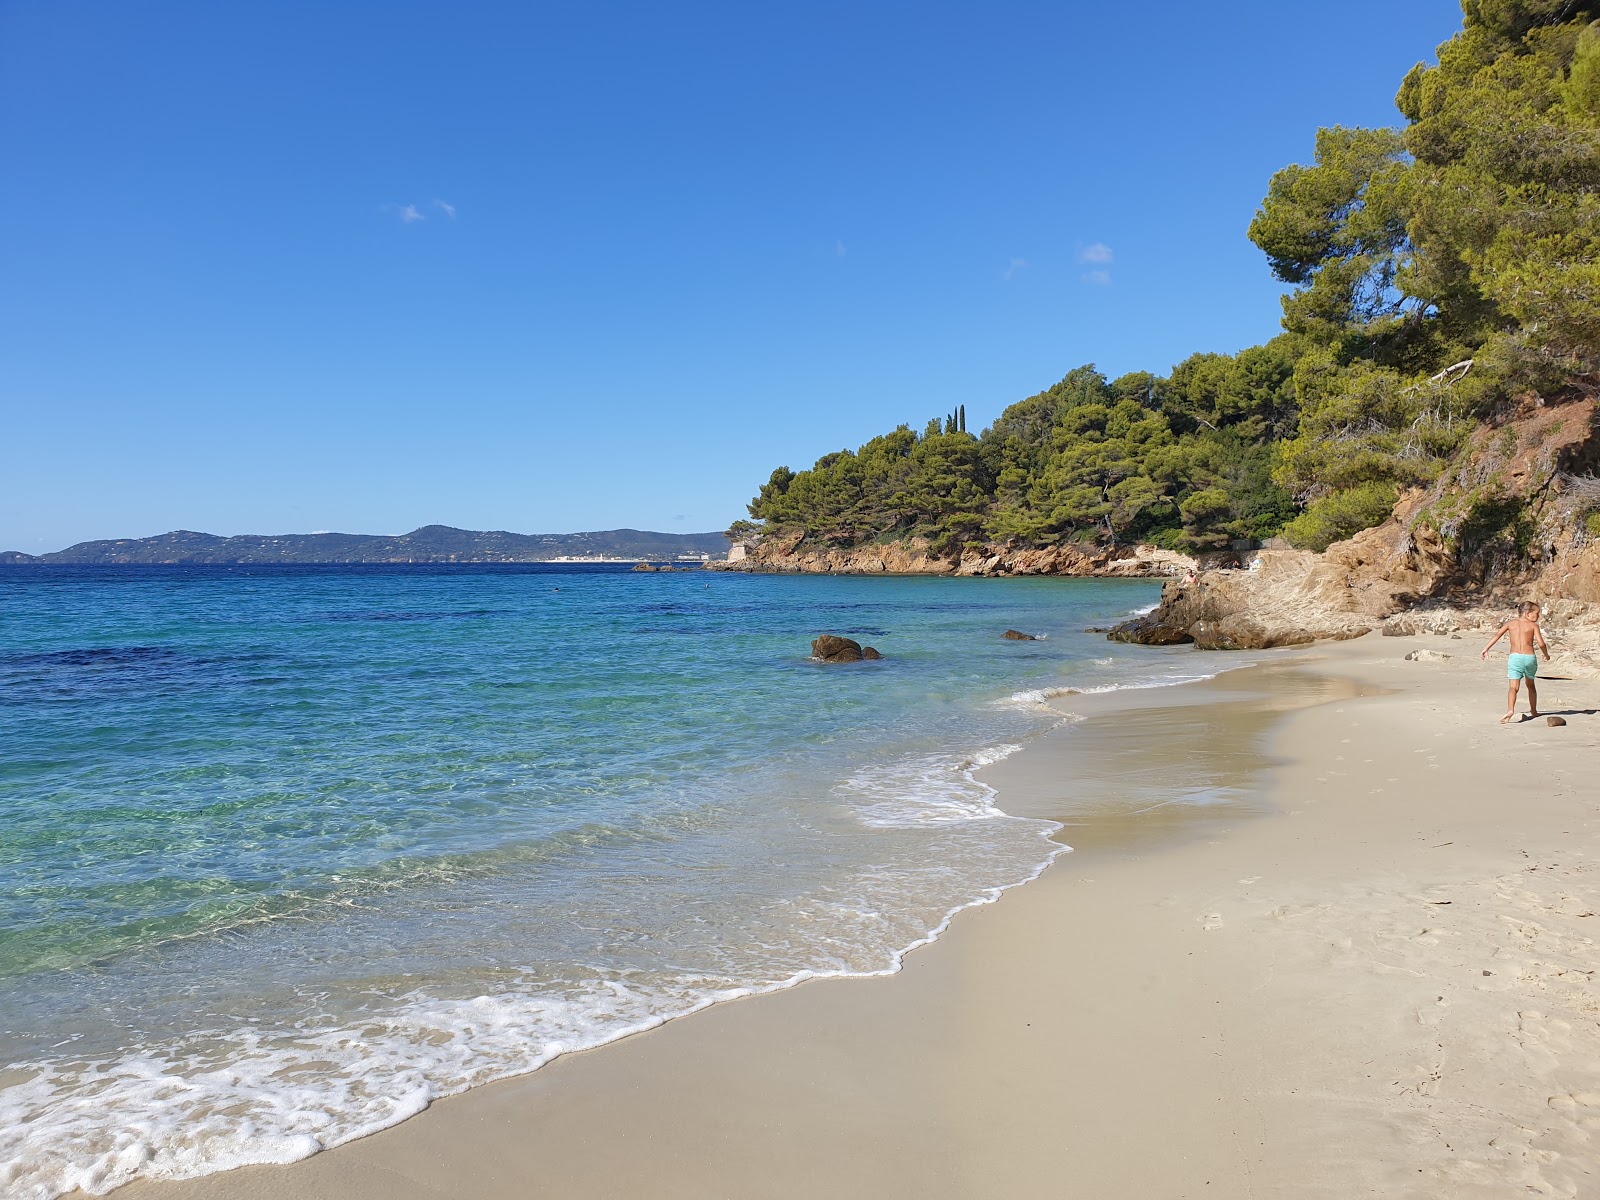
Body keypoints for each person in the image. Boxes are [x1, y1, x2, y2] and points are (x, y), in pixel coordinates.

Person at [1481, 601, 1551, 724]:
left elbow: (1497, 635)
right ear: (1527, 613)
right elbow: (1541, 643)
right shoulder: (1533, 626)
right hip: (1529, 658)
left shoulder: (1510, 623)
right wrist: (1546, 654)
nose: (1538, 617)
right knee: (1530, 685)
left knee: (1513, 687)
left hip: (1515, 658)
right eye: (1536, 614)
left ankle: (1510, 710)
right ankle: (1533, 710)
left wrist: (1486, 649)